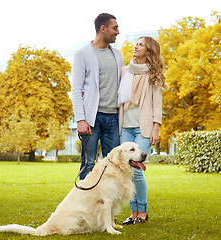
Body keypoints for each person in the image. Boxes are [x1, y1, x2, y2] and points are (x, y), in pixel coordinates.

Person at [118, 36, 165, 224]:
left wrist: (156, 128)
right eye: (136, 44)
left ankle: (142, 212)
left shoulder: (154, 75)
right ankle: (133, 213)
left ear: (149, 51)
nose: (136, 47)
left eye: (141, 45)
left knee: (137, 171)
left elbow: (157, 105)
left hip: (143, 128)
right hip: (125, 128)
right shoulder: (124, 72)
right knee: (128, 171)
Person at [71, 13, 124, 180]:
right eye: (115, 28)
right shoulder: (83, 54)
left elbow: (126, 82)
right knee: (89, 164)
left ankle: (106, 204)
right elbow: (76, 89)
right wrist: (80, 119)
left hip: (114, 118)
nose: (118, 32)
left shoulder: (117, 55)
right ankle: (84, 204)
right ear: (103, 29)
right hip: (91, 119)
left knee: (113, 165)